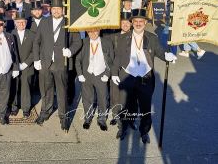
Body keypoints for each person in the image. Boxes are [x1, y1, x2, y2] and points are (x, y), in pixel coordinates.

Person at [111, 9, 177, 143]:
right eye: (136, 21)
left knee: (145, 107)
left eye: (141, 21)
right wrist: (113, 72)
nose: (138, 23)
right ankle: (123, 127)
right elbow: (118, 56)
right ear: (132, 22)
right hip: (127, 75)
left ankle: (144, 131)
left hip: (145, 78)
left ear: (145, 22)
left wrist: (166, 56)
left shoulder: (152, 37)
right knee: (126, 105)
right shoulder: (123, 37)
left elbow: (159, 51)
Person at [33, 0, 82, 130]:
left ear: (63, 10)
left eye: (58, 9)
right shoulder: (44, 21)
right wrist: (36, 59)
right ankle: (45, 112)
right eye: (53, 9)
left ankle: (63, 117)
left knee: (62, 91)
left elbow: (78, 42)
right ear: (50, 10)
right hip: (45, 62)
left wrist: (70, 51)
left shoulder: (69, 23)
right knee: (45, 89)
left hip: (61, 63)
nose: (56, 11)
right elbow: (36, 42)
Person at [75, 29, 114, 131]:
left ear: (99, 31)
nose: (93, 34)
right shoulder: (83, 42)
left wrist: (107, 74)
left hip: (101, 74)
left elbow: (111, 60)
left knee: (103, 98)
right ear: (87, 32)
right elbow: (77, 60)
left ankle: (102, 120)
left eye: (95, 31)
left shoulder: (107, 42)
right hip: (87, 74)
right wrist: (80, 74)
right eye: (90, 32)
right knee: (87, 98)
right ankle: (87, 118)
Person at [10, 12, 35, 118]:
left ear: (26, 23)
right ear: (15, 23)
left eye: (23, 22)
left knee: (26, 87)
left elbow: (35, 51)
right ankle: (14, 107)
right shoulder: (10, 34)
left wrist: (26, 63)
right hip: (14, 65)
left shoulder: (32, 34)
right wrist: (15, 64)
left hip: (27, 66)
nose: (21, 24)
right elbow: (8, 51)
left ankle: (26, 108)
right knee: (14, 87)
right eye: (19, 22)